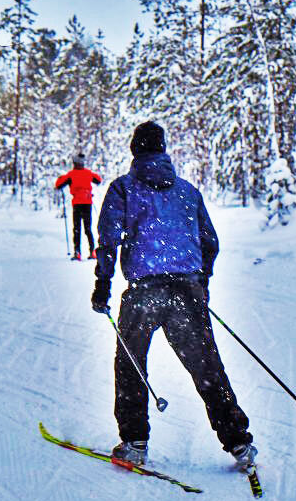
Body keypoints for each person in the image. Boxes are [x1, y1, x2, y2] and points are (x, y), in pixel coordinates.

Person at [90, 121, 256, 470]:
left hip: (144, 292)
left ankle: (134, 442)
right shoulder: (187, 191)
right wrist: (201, 282)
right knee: (207, 368)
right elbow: (210, 242)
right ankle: (239, 443)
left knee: (132, 364)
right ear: (163, 150)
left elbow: (108, 240)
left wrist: (102, 285)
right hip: (187, 290)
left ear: (135, 150)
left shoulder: (123, 189)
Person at [54, 152, 102, 260]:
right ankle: (93, 251)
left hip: (77, 204)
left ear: (74, 163)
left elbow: (58, 185)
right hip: (87, 204)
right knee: (88, 229)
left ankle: (77, 252)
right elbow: (98, 180)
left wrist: (60, 178)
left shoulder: (71, 175)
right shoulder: (88, 173)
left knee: (77, 229)